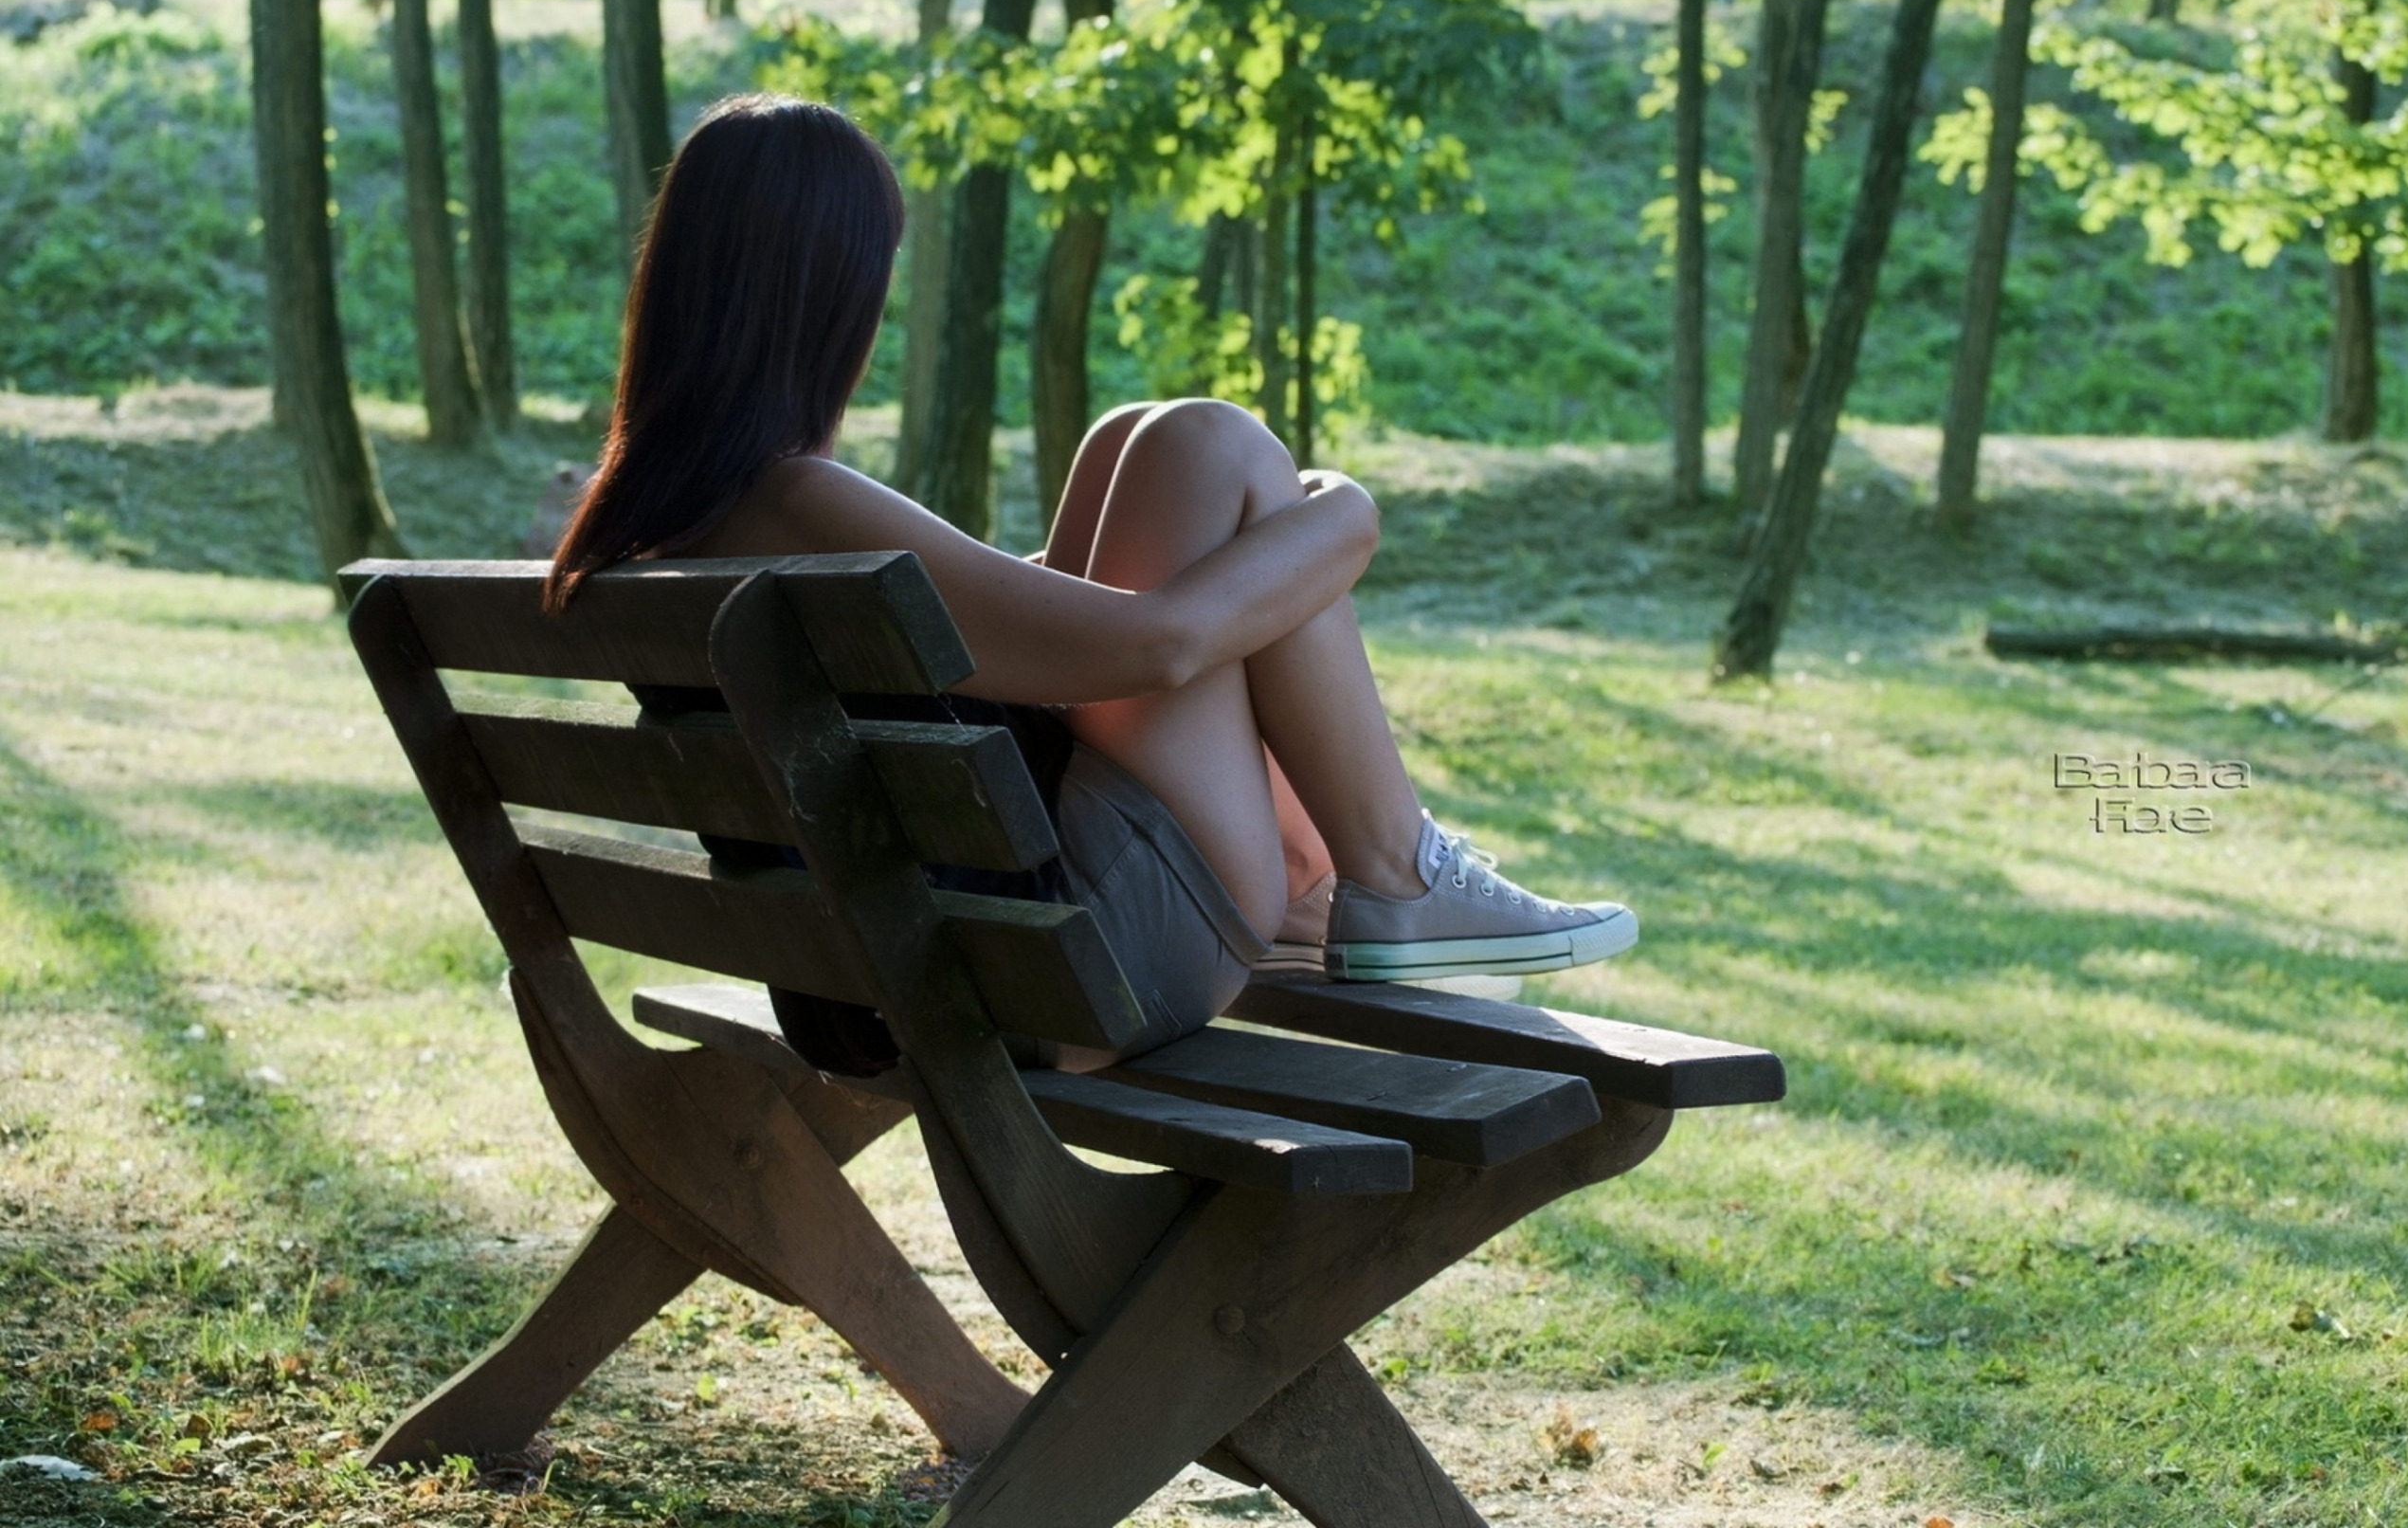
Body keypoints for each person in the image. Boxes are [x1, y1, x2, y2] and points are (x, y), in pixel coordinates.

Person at [547, 94, 1632, 1060]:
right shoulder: (792, 500)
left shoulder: (669, 520)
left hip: (884, 981)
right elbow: (1158, 645)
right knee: (1208, 451)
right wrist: (1343, 515)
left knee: (1132, 446)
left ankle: (1346, 882)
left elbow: (996, 640)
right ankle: (1393, 876)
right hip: (1053, 971)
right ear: (830, 294)